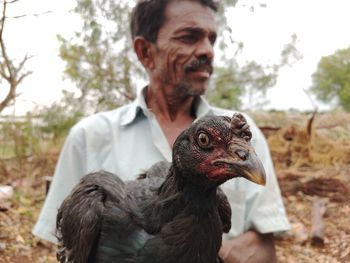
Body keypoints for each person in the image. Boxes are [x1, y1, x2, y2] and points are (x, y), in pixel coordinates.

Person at [33, 0, 290, 262]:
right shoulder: (88, 136)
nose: (208, 51)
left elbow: (266, 250)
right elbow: (64, 246)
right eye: (189, 37)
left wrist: (194, 241)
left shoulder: (244, 134)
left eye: (212, 39)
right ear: (145, 52)